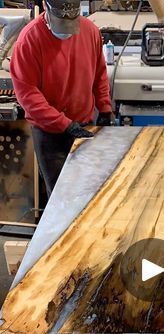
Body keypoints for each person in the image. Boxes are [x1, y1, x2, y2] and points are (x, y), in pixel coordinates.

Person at [10, 0, 113, 197]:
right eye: (61, 23)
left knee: (87, 193)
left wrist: (105, 107)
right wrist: (63, 124)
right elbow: (28, 95)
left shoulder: (90, 31)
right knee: (61, 199)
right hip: (50, 134)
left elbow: (99, 73)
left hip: (84, 126)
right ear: (45, 7)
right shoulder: (29, 40)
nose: (66, 32)